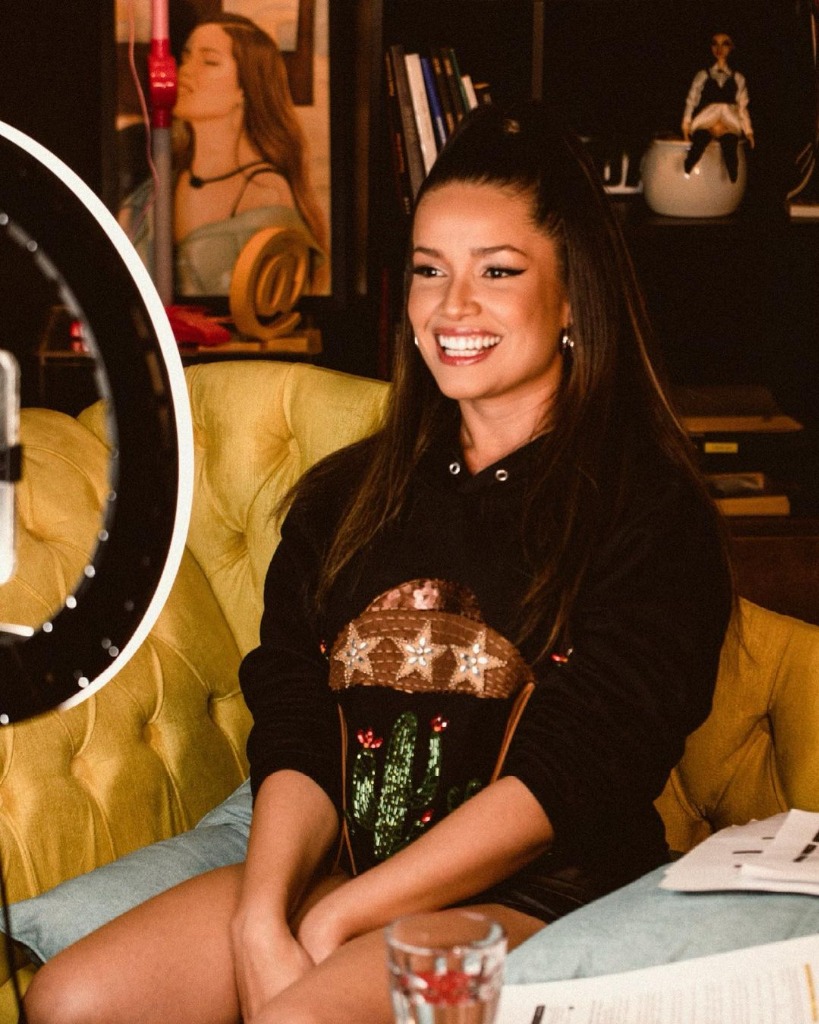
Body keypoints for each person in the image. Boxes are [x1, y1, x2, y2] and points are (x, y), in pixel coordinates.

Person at [24, 100, 733, 1024]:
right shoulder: (347, 498)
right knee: (73, 1000)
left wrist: (338, 920)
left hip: (543, 901)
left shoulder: (648, 510)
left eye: (498, 271)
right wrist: (261, 914)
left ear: (571, 298)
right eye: (429, 271)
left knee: (300, 1015)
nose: (453, 307)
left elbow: (574, 774)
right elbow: (295, 719)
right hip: (350, 867)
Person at [120, 12, 328, 297]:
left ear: (246, 87)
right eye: (186, 57)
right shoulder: (154, 187)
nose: (186, 70)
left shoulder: (265, 193)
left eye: (209, 61)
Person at [681, 31, 754, 182]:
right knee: (699, 143)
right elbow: (691, 100)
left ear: (731, 48)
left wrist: (748, 131)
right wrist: (686, 123)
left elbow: (742, 106)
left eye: (725, 44)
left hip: (729, 122)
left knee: (730, 148)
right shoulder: (703, 75)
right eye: (715, 44)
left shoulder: (738, 78)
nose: (719, 49)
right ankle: (688, 167)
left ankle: (732, 178)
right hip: (707, 120)